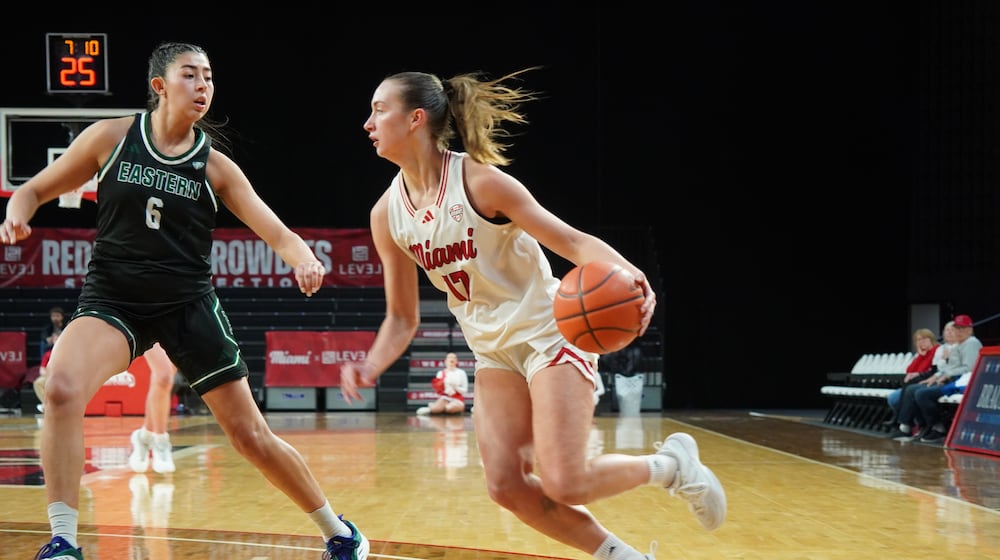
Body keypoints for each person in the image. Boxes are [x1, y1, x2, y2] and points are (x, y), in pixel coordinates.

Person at [0, 42, 367, 560]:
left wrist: (303, 258)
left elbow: (279, 232)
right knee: (59, 388)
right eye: (190, 75)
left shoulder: (215, 167)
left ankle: (340, 532)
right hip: (115, 300)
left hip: (187, 306)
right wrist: (17, 213)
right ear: (159, 85)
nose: (203, 86)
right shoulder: (111, 137)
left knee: (249, 437)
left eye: (209, 77)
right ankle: (63, 541)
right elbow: (31, 190)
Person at [340, 68, 724, 560]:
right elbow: (401, 317)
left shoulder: (481, 182)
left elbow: (571, 240)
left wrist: (632, 276)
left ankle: (671, 465)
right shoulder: (385, 215)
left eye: (378, 109)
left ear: (416, 118)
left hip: (549, 332)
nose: (368, 123)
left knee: (567, 480)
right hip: (493, 351)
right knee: (506, 487)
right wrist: (370, 365)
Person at [911, 314, 983, 442]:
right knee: (916, 391)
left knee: (923, 394)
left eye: (962, 328)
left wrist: (946, 375)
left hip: (962, 383)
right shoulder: (958, 345)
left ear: (970, 330)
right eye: (956, 328)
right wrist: (937, 376)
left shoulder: (971, 343)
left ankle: (938, 428)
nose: (958, 331)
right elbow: (948, 368)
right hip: (952, 380)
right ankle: (927, 426)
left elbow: (969, 369)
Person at [128, 343, 178, 474]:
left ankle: (144, 436)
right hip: (146, 322)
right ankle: (161, 441)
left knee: (163, 379)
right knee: (164, 375)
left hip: (176, 324)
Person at [882, 327, 942, 428]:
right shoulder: (922, 354)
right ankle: (910, 422)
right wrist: (921, 356)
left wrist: (923, 358)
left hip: (929, 382)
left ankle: (910, 423)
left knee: (897, 398)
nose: (921, 342)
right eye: (918, 340)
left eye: (923, 338)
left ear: (931, 339)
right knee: (892, 398)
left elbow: (930, 370)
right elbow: (909, 371)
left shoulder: (937, 350)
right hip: (916, 382)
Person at [31, 331, 60, 414]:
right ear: (52, 340)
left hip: (64, 377)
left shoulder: (67, 353)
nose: (57, 340)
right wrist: (50, 375)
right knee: (38, 383)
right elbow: (42, 370)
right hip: (50, 376)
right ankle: (49, 405)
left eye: (59, 338)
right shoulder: (48, 354)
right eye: (55, 339)